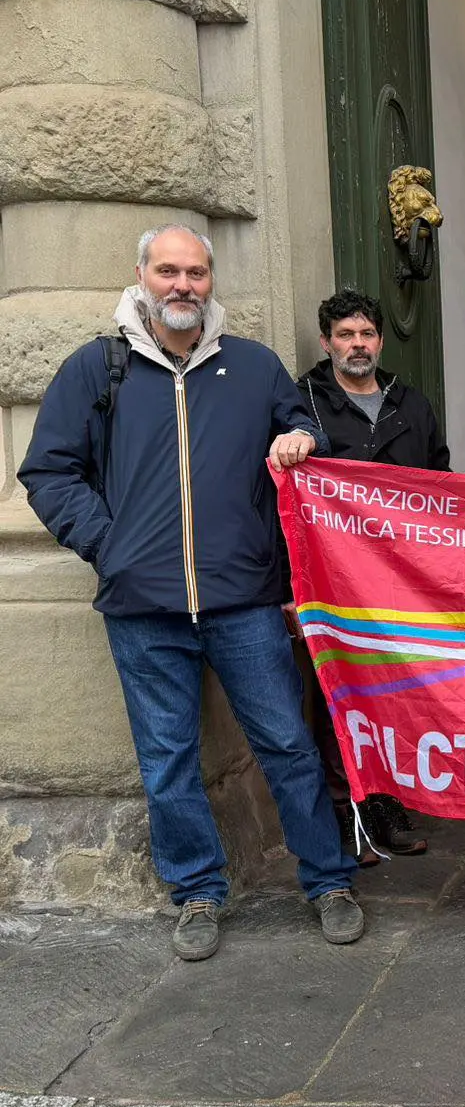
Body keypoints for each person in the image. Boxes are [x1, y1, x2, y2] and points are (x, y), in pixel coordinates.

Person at [19, 226, 364, 961]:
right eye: (169, 270)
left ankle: (329, 880)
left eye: (197, 273)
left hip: (242, 601)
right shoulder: (97, 369)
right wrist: (111, 549)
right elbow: (48, 472)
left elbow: (302, 427)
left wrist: (302, 435)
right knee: (167, 760)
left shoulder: (252, 366)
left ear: (212, 281)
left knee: (286, 744)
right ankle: (198, 893)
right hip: (143, 610)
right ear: (142, 274)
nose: (183, 285)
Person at [296, 287, 447, 862]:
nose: (356, 345)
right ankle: (346, 816)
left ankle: (387, 804)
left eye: (365, 335)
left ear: (380, 341)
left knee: (397, 690)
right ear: (326, 342)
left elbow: (439, 482)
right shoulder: (300, 404)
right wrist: (292, 584)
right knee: (340, 693)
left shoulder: (412, 403)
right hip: (331, 580)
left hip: (403, 580)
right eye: (345, 336)